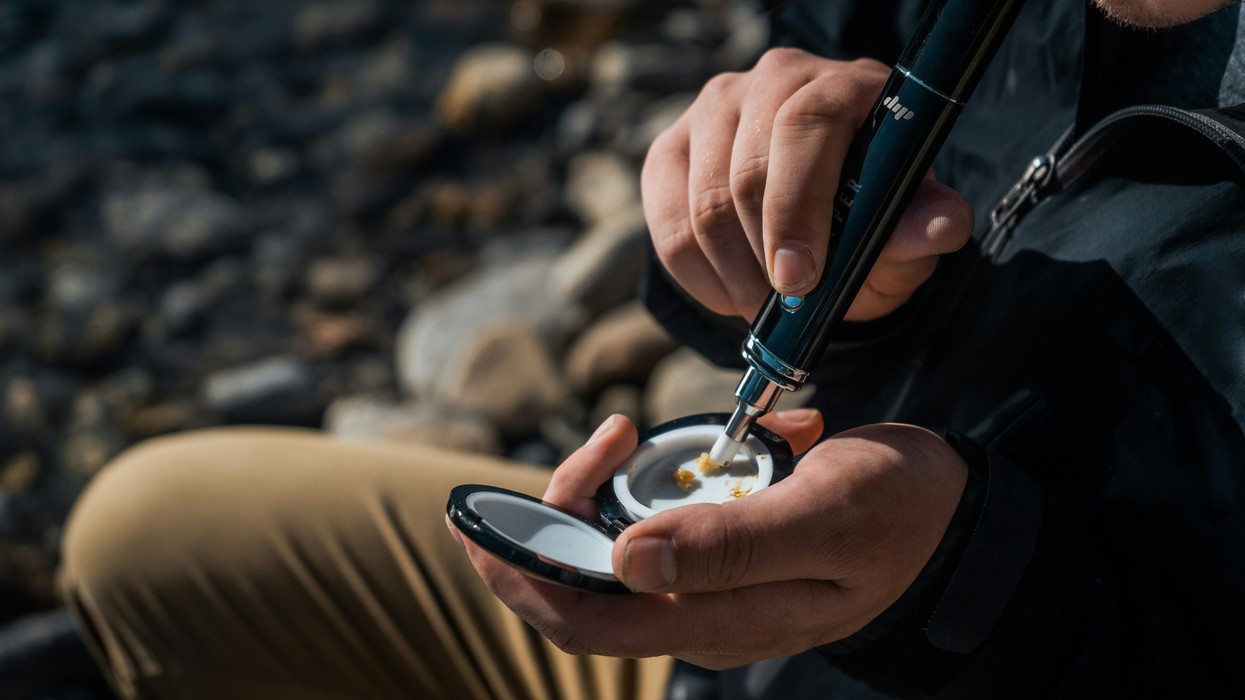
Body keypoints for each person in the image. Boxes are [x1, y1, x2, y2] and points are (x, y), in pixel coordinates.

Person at [59, 0, 1245, 698]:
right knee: (150, 537)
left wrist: (970, 582)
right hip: (740, 659)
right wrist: (763, 242)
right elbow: (832, 96)